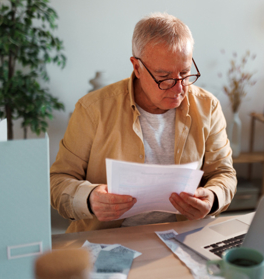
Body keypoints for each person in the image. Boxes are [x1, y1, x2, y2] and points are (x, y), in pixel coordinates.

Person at [50, 13, 237, 233]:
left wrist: (212, 198)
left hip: (183, 235)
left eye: (185, 74)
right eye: (164, 77)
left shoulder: (208, 107)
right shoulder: (93, 109)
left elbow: (224, 174)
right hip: (106, 238)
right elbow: (58, 183)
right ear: (137, 67)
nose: (179, 89)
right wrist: (90, 199)